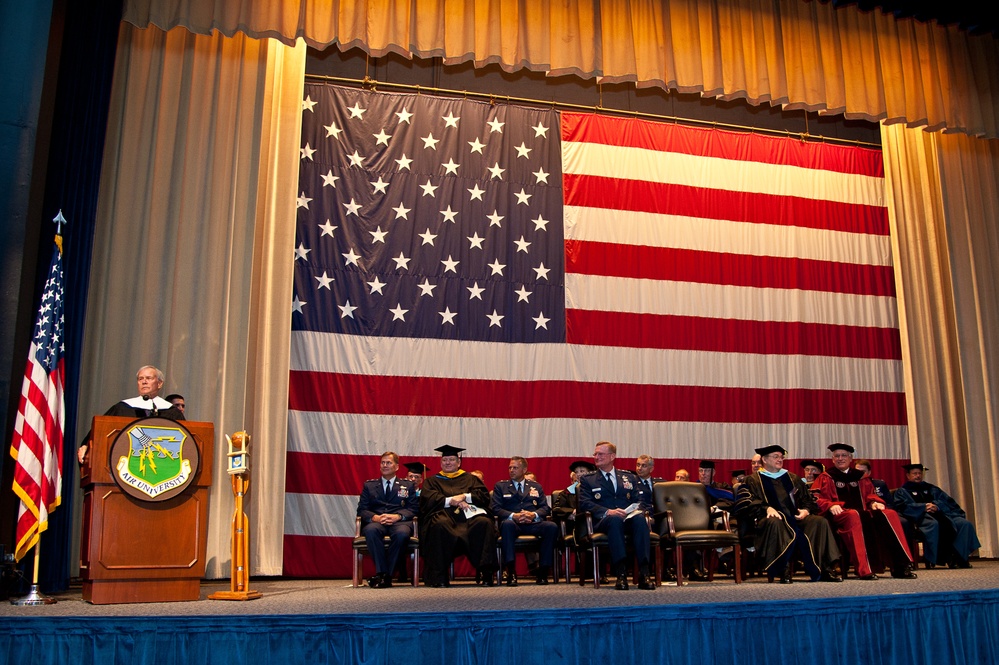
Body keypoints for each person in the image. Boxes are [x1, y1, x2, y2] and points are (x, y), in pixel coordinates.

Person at [734, 445, 842, 583]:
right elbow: (745, 504)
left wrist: (806, 510)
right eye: (776, 457)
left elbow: (809, 501)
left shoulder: (793, 478)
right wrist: (766, 508)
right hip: (766, 521)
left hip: (795, 519)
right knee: (775, 522)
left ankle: (823, 569)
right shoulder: (752, 480)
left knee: (819, 522)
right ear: (764, 460)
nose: (780, 459)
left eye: (781, 457)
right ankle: (782, 569)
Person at [811, 443, 916, 580]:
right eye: (837, 456)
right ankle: (865, 569)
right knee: (855, 515)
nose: (840, 458)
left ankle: (901, 566)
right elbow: (816, 498)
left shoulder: (861, 477)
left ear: (850, 459)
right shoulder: (826, 477)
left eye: (844, 455)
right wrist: (830, 505)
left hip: (864, 512)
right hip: (840, 516)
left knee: (890, 514)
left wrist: (875, 502)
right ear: (832, 459)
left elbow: (870, 495)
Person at [577, 441, 654, 590]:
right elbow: (585, 503)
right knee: (614, 520)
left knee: (640, 520)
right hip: (603, 521)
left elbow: (639, 500)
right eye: (595, 454)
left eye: (601, 454)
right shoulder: (588, 479)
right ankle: (621, 573)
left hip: (627, 517)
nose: (596, 457)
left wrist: (632, 510)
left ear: (612, 456)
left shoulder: (628, 477)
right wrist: (608, 511)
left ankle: (644, 573)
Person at [419, 444, 497, 587]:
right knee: (438, 524)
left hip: (469, 516)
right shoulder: (432, 481)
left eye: (451, 460)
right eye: (445, 460)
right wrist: (451, 501)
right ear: (440, 462)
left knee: (484, 523)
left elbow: (483, 497)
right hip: (444, 515)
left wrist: (465, 496)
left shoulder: (471, 479)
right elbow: (428, 500)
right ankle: (439, 576)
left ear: (459, 462)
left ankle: (485, 573)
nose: (447, 463)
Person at [78, 365, 184, 464]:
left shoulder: (171, 411)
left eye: (149, 378)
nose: (144, 382)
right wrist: (87, 446)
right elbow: (100, 432)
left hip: (161, 463)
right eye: (140, 379)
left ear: (159, 383)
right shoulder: (122, 408)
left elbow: (184, 440)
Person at [894, 463, 981, 569]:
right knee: (934, 524)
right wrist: (923, 507)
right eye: (915, 473)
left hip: (943, 515)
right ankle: (935, 558)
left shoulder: (931, 488)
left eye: (920, 473)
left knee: (965, 524)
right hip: (921, 518)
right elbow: (902, 507)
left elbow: (948, 502)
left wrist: (937, 506)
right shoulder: (902, 491)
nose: (918, 476)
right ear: (908, 475)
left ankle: (960, 558)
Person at [356, 452, 419, 588]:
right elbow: (362, 510)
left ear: (396, 466)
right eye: (383, 462)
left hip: (399, 522)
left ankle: (383, 576)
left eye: (389, 463)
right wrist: (375, 517)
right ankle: (385, 575)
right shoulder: (369, 485)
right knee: (371, 531)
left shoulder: (407, 485)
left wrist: (398, 516)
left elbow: (413, 508)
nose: (385, 465)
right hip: (377, 521)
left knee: (402, 535)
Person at [491, 456, 558, 585]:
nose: (511, 470)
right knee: (507, 525)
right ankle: (511, 571)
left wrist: (533, 514)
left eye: (515, 468)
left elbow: (545, 508)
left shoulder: (535, 486)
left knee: (551, 527)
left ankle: (543, 571)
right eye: (510, 467)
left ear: (524, 470)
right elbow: (495, 508)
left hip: (532, 523)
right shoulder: (501, 486)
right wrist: (513, 515)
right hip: (513, 524)